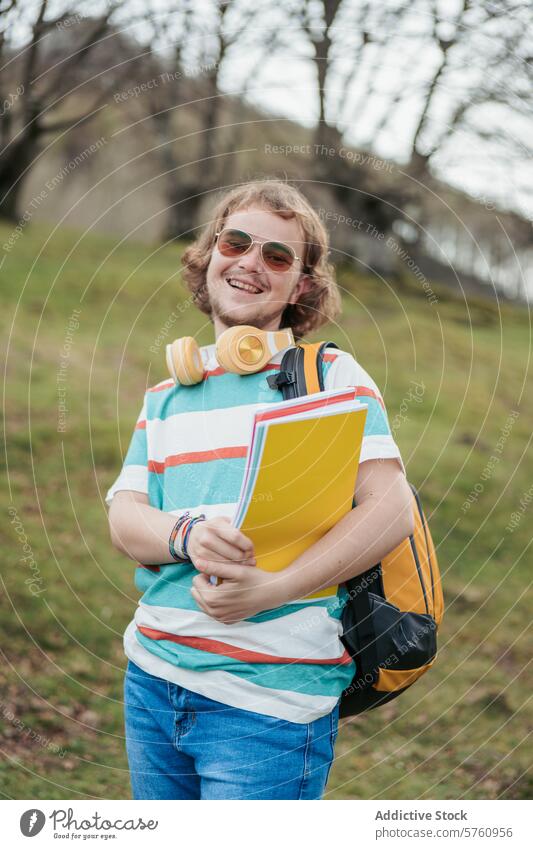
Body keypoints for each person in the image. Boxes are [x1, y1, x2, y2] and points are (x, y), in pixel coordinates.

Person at [106, 179, 414, 800]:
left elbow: (391, 509)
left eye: (276, 256)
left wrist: (269, 590)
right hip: (152, 680)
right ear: (210, 255)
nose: (250, 262)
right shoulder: (165, 397)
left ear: (301, 285)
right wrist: (185, 533)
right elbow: (125, 513)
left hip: (268, 706)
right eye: (236, 242)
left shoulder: (329, 376)